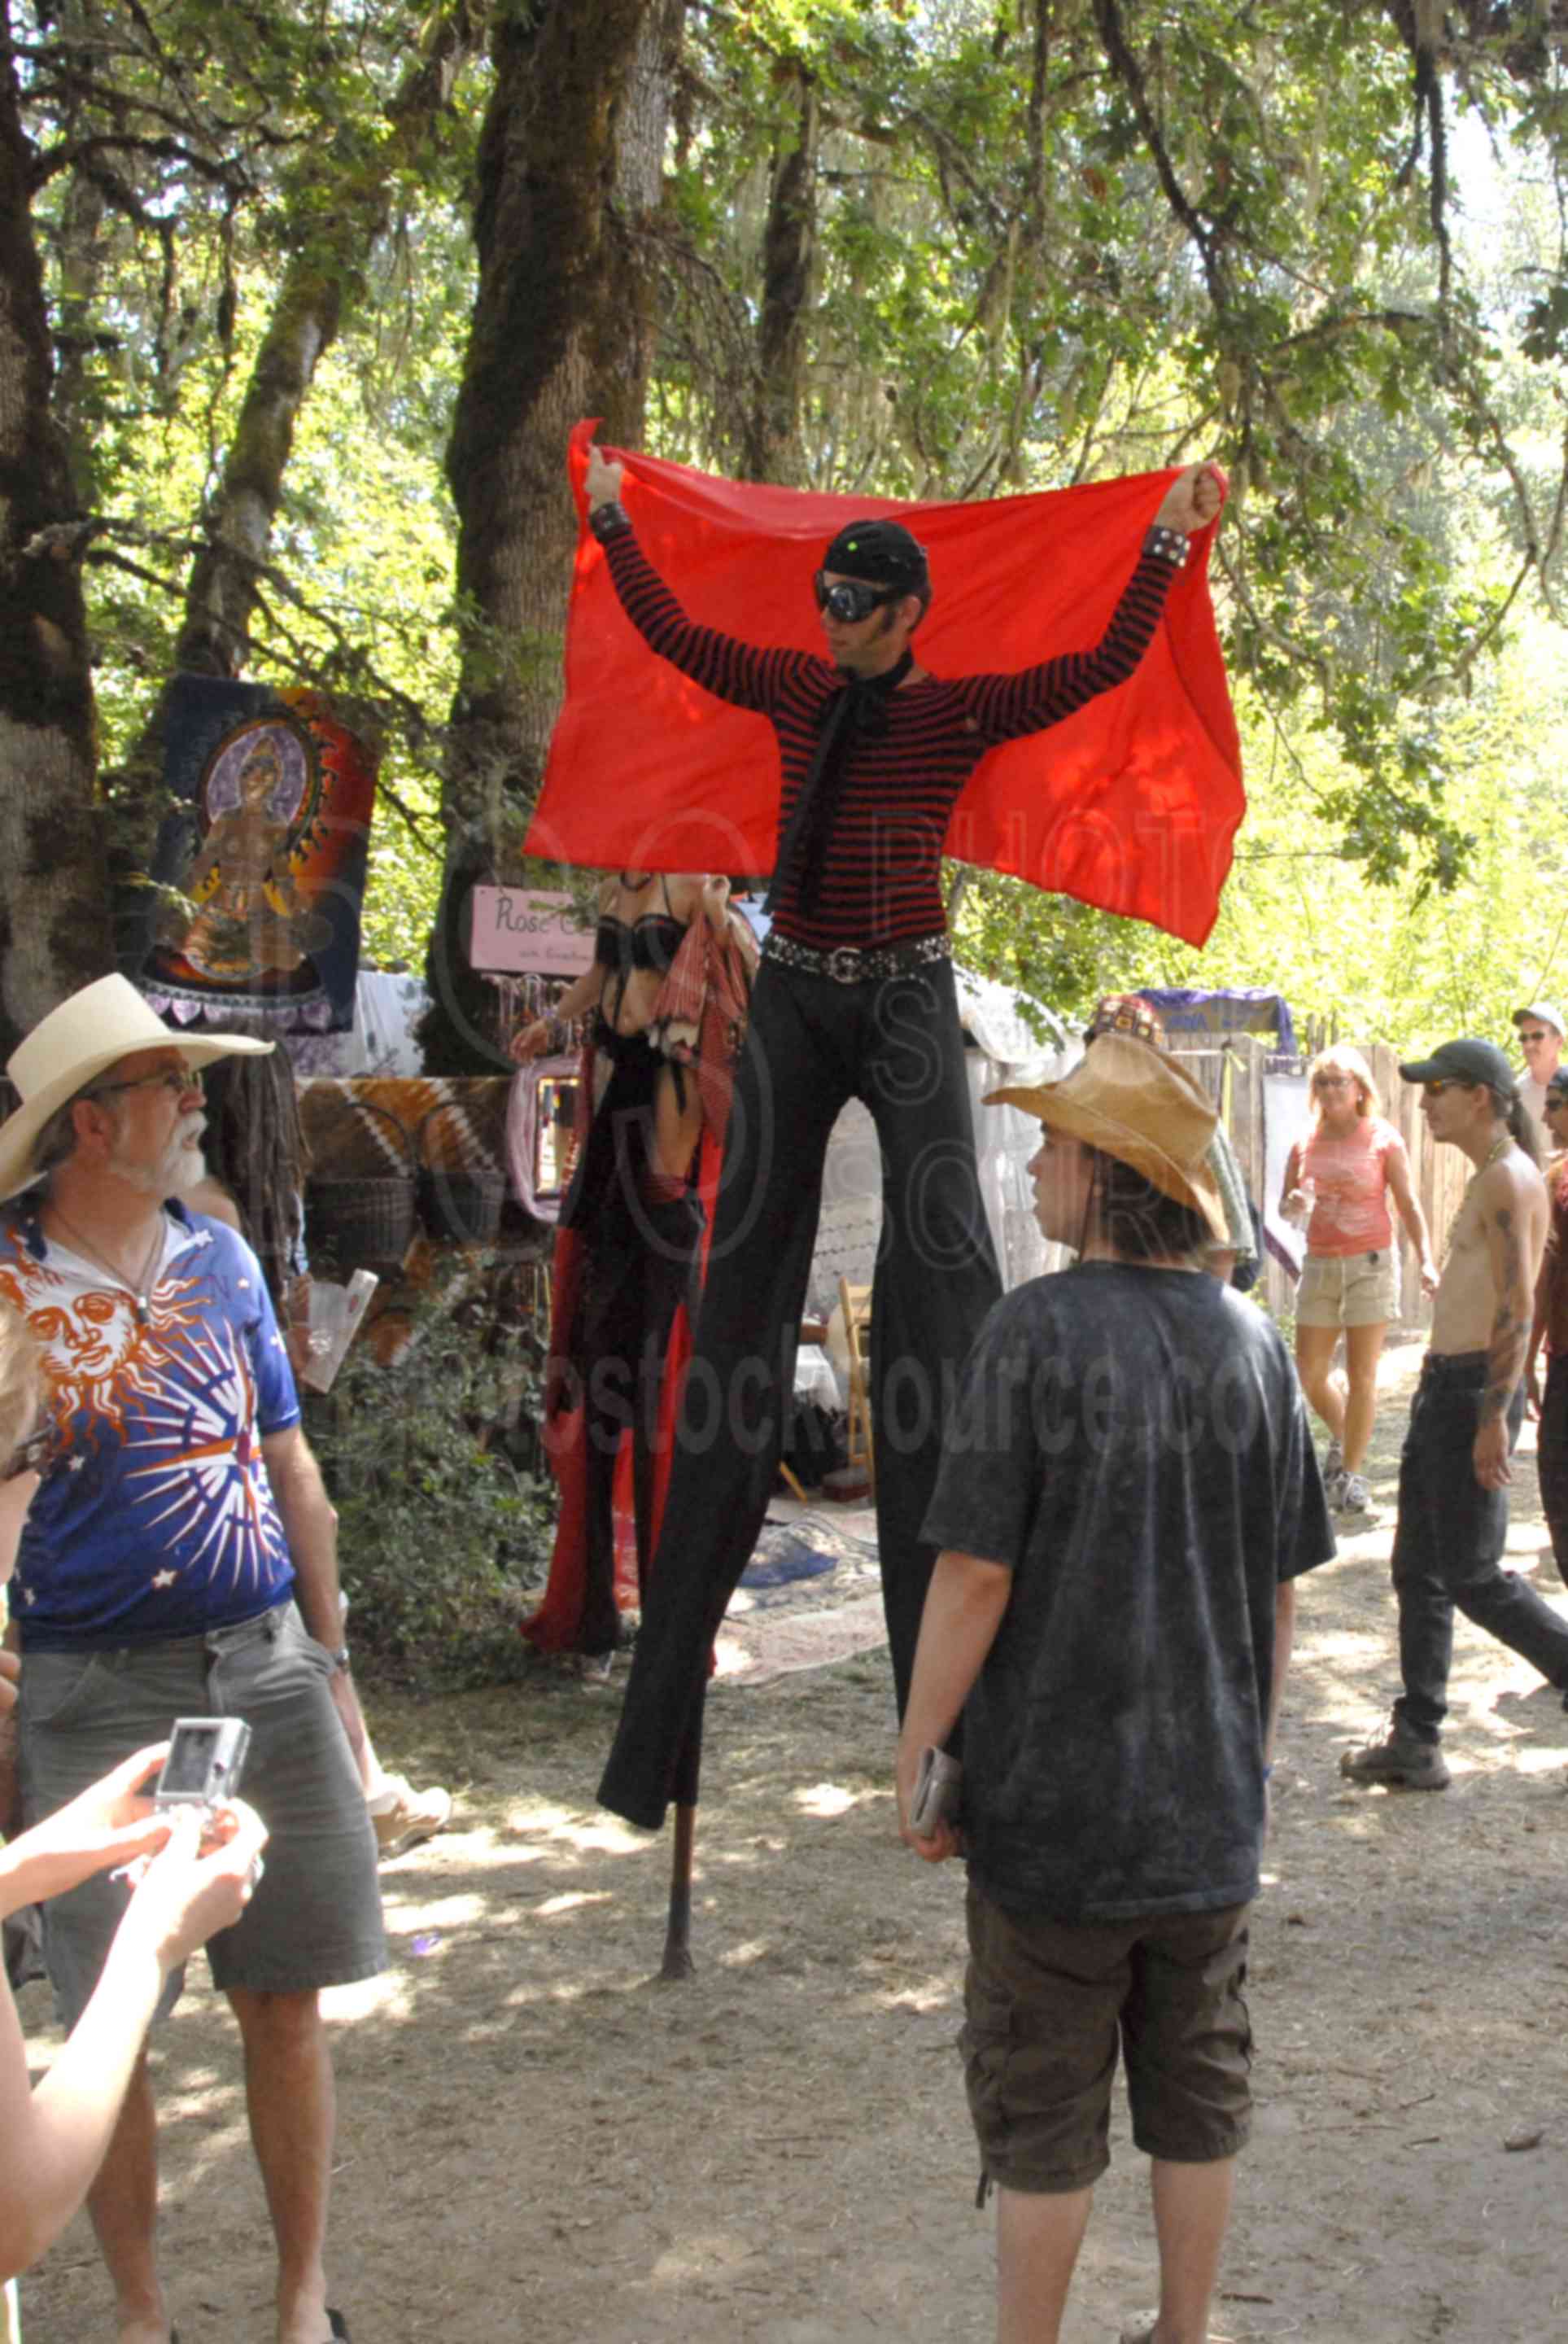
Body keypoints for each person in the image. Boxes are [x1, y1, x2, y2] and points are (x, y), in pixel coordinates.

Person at [591, 444, 1226, 1829]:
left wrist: (1166, 544)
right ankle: (655, 1748)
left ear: (904, 614)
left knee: (942, 1303)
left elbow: (1101, 664)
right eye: (823, 592)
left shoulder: (955, 714)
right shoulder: (796, 687)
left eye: (852, 598)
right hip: (803, 996)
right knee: (738, 1295)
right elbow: (676, 634)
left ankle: (945, 1737)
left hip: (900, 996)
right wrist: (609, 522)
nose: (826, 613)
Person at [895, 1034, 1334, 2344]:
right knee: (1196, 2092)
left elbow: (972, 1574)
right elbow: (1278, 1589)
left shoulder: (1030, 1329)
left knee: (1041, 2114)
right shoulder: (1255, 1343)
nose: (1035, 1159)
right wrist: (1242, 1759)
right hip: (1206, 1816)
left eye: (1057, 1142)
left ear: (1110, 1174)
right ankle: (1181, 2334)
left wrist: (918, 1751)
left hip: (1051, 1822)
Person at [0, 972, 382, 2344]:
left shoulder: (218, 1260)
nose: (199, 1100)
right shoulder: (3, 1278)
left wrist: (332, 1672)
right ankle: (141, 2318)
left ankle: (302, 2305)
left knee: (286, 1997)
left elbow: (289, 1464)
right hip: (93, 1693)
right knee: (118, 2024)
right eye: (171, 1083)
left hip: (262, 1668)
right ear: (92, 1127)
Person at [188, 1047, 452, 1857]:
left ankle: (360, 1786)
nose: (186, 1100)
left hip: (244, 1458)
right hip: (218, 1479)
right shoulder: (204, 1213)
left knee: (305, 1591)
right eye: (169, 1084)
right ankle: (356, 1792)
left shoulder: (217, 1214)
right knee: (298, 1614)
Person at [511, 871, 757, 1670]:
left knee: (655, 1386)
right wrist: (552, 1021)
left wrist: (720, 918)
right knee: (599, 1376)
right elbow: (602, 977)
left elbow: (729, 978)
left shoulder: (690, 888)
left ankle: (666, 1619)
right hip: (611, 1089)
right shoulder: (615, 894)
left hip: (666, 1091)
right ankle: (588, 1616)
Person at [1341, 1038, 1568, 1791]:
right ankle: (1416, 1736)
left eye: (1436, 1088)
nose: (1423, 1101)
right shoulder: (1491, 1177)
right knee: (1419, 1570)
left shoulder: (1509, 1180)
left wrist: (1490, 1418)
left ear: (1479, 1095)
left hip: (1471, 1391)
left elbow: (1515, 1306)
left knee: (1471, 1575)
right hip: (1446, 1389)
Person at [1280, 1046, 1437, 1518]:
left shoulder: (1383, 1139)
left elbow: (1408, 1205)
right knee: (1309, 1372)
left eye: (1339, 1082)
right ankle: (1347, 1435)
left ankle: (1351, 1475)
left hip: (1370, 1261)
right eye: (1323, 1082)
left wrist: (1427, 1261)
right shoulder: (1305, 1142)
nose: (1330, 1090)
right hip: (1321, 1263)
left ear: (1360, 1089)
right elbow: (1287, 1213)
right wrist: (1293, 1204)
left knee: (1363, 1374)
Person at [1085, 995, 1259, 1287]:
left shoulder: (1188, 1112)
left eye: (1121, 1048)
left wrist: (1212, 1313)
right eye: (1099, 1046)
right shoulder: (1090, 1110)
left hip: (1183, 1290)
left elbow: (1226, 1232)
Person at [1525, 1069, 1568, 1588]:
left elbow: (1544, 1273)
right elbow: (1546, 1275)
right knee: (1557, 1482)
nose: (1544, 1116)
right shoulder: (1556, 1178)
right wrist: (1533, 1354)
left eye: (1554, 1105)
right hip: (1563, 1354)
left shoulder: (1558, 1180)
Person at [1512, 1000, 1565, 1142]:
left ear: (1559, 1042)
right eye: (1523, 1038)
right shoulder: (1515, 1096)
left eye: (1537, 1036)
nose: (1528, 1044)